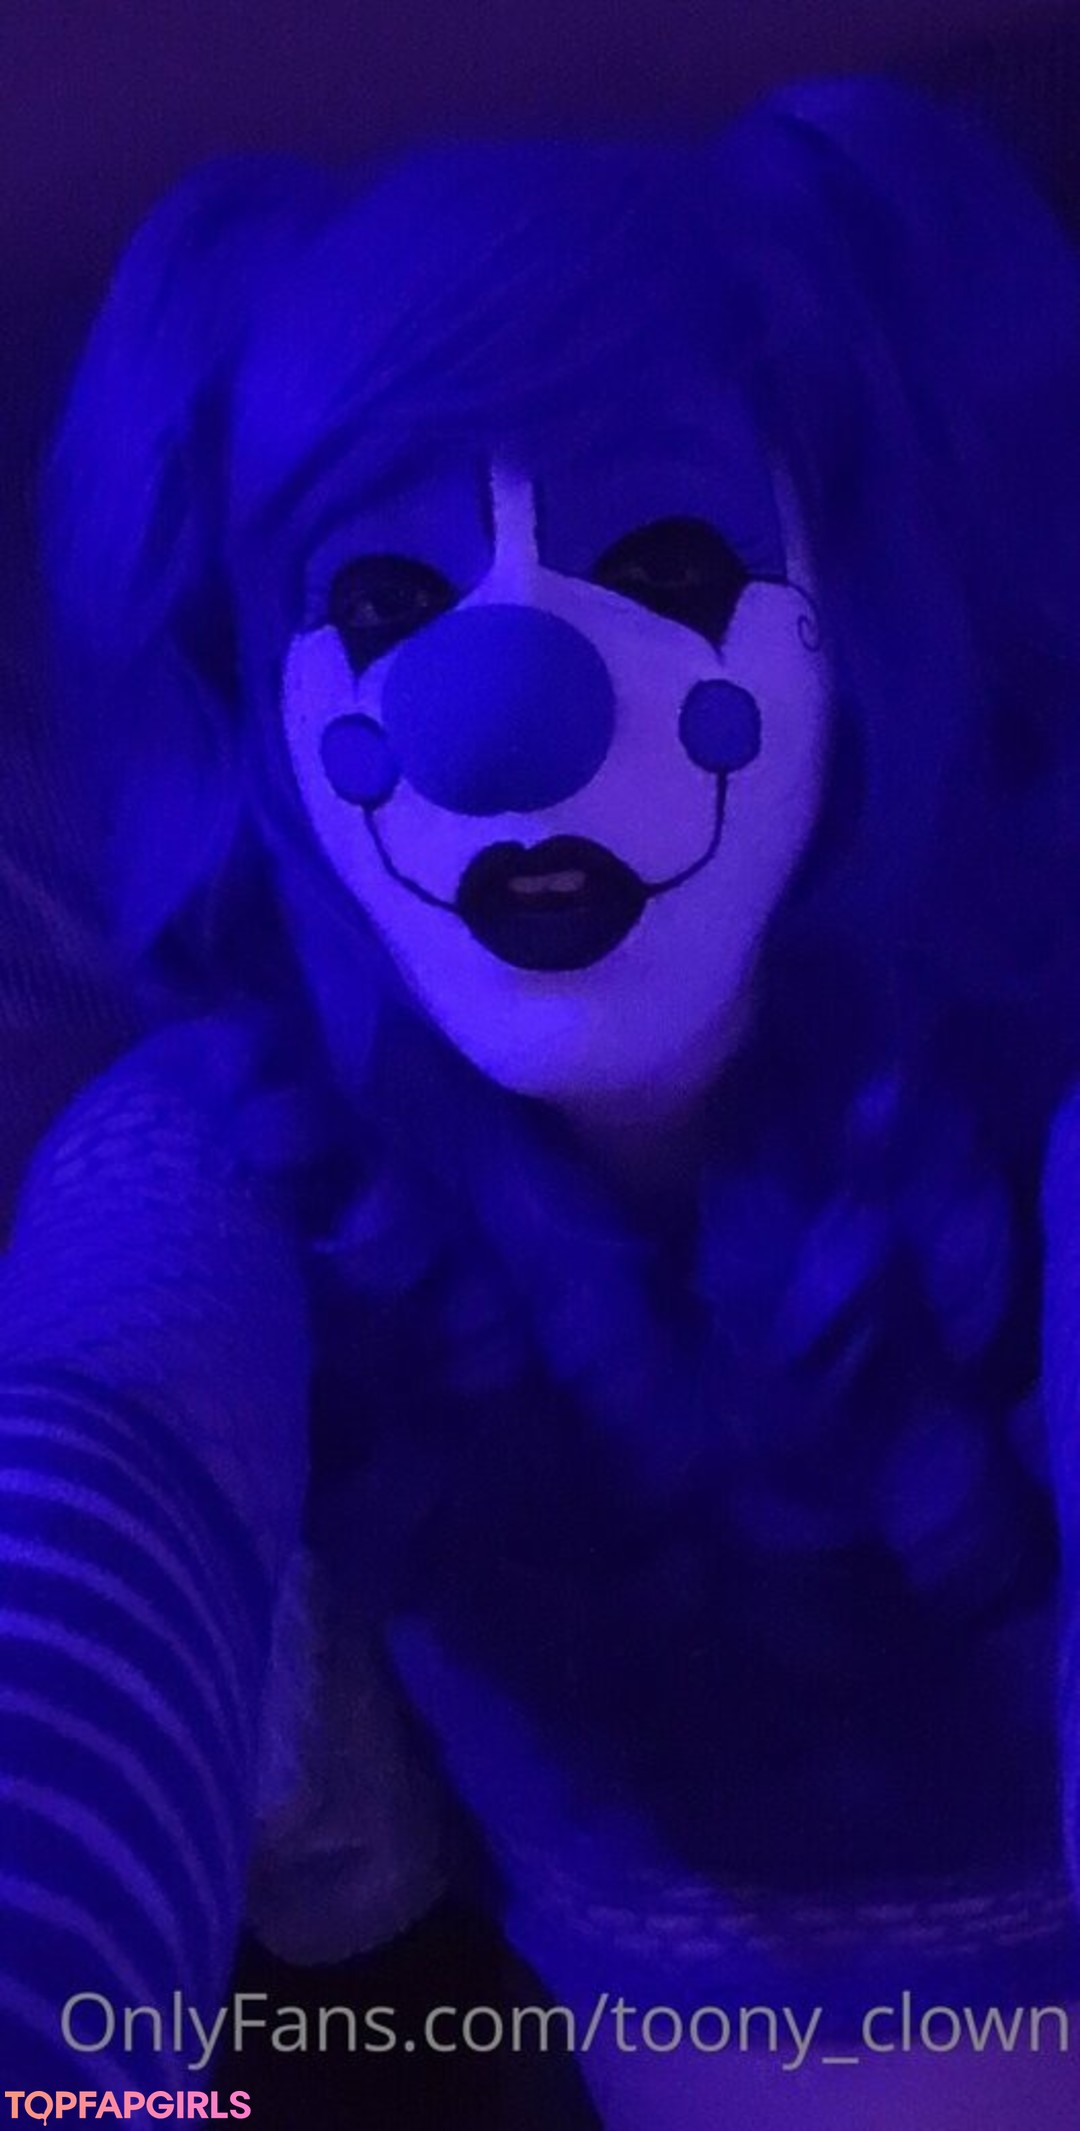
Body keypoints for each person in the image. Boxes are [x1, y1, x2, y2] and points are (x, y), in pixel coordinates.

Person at [5, 73, 1080, 2125]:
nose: (497, 723)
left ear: (861, 624)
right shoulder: (212, 1160)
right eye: (383, 604)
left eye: (664, 560)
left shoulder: (1052, 1101)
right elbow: (88, 1499)